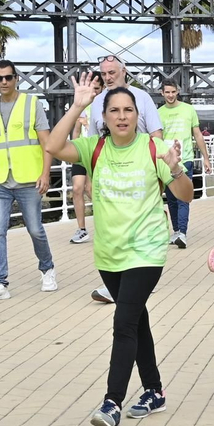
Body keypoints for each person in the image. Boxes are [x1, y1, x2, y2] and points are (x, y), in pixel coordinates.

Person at [44, 76, 192, 426]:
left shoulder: (152, 149)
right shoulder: (94, 147)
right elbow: (52, 145)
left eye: (128, 110)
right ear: (105, 117)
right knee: (136, 322)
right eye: (114, 111)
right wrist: (78, 104)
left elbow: (185, 195)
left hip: (147, 251)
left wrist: (174, 167)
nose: (122, 116)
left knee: (123, 324)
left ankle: (112, 402)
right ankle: (154, 391)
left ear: (137, 115)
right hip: (109, 253)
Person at [0, 59, 59, 301]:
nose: (3, 82)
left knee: (35, 230)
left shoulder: (31, 104)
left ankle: (47, 268)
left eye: (8, 77)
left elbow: (47, 143)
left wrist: (45, 174)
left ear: (16, 78)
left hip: (28, 180)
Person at [86, 57, 163, 303]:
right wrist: (90, 179)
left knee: (126, 319)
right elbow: (91, 144)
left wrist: (160, 175)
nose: (107, 77)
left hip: (140, 177)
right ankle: (126, 282)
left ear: (124, 71)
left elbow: (156, 133)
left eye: (112, 72)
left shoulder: (142, 98)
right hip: (110, 180)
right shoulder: (97, 101)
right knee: (134, 318)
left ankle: (138, 273)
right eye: (104, 73)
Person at [157, 78, 210, 249]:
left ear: (177, 91)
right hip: (166, 161)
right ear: (162, 93)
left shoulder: (188, 110)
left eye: (173, 92)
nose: (170, 95)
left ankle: (183, 234)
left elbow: (198, 135)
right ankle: (177, 231)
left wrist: (206, 158)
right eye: (167, 92)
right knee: (171, 199)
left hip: (185, 160)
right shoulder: (159, 113)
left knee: (183, 199)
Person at [68, 72, 104, 245]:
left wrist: (88, 124)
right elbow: (75, 130)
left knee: (92, 190)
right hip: (82, 152)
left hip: (97, 153)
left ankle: (104, 224)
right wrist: (73, 149)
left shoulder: (105, 107)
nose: (94, 92)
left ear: (103, 89)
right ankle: (81, 229)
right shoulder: (82, 105)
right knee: (77, 188)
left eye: (97, 89)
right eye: (92, 89)